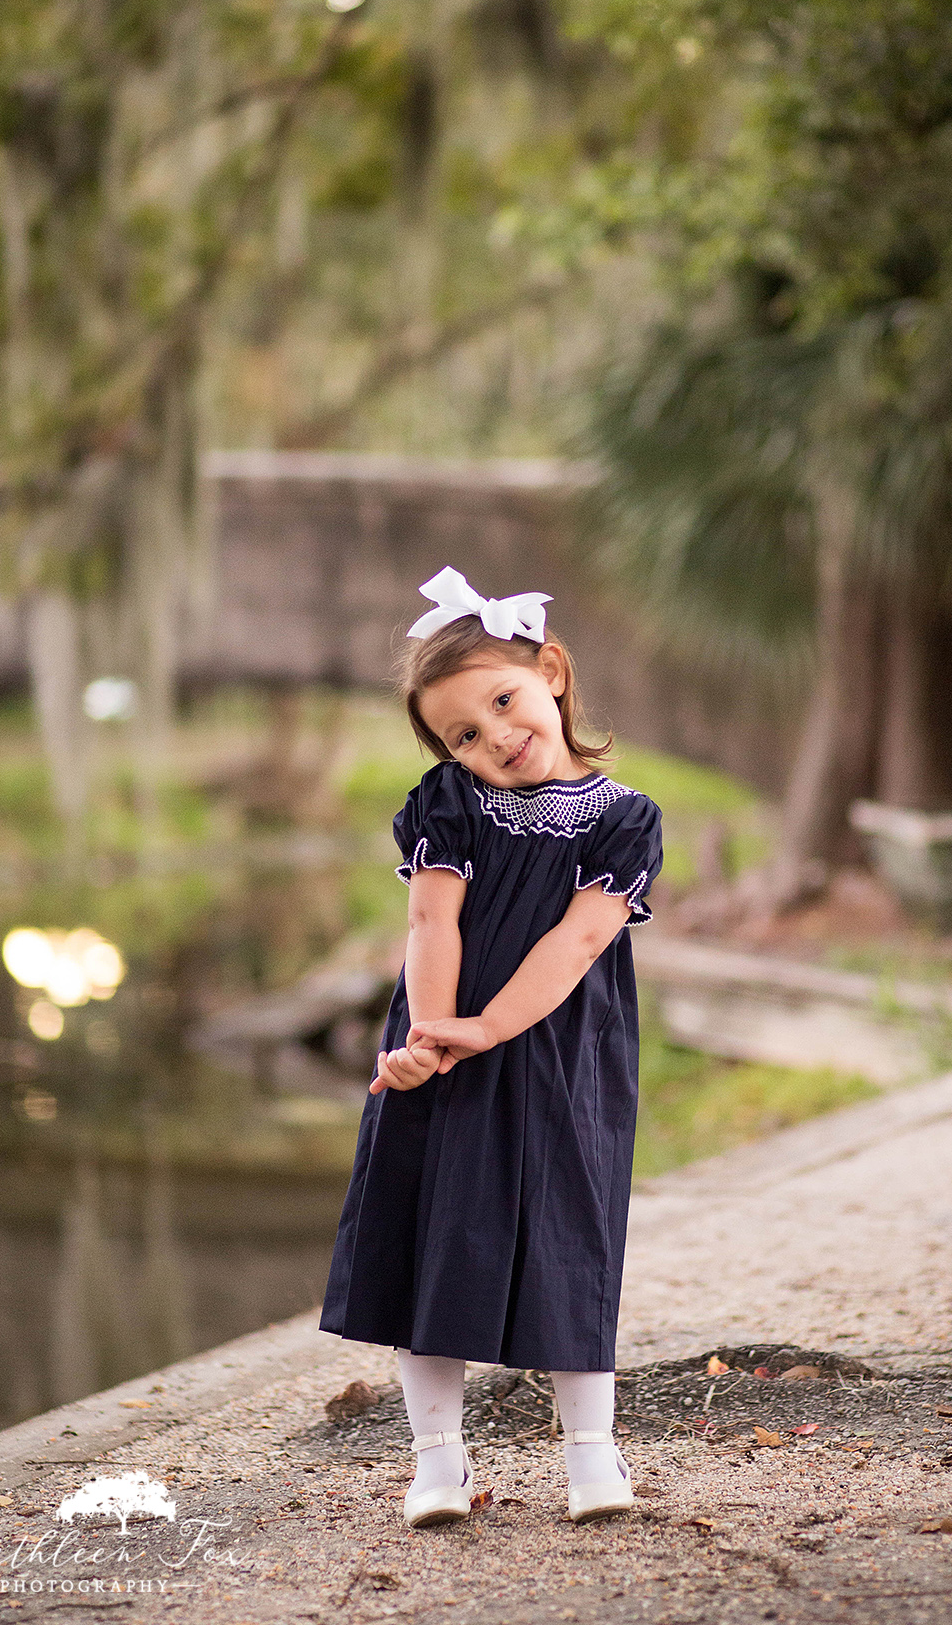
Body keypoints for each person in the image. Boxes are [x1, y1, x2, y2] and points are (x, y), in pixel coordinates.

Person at [320, 566, 663, 1528]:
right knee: (428, 1238)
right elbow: (433, 924)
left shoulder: (625, 819)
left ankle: (591, 1456)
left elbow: (579, 940)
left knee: (571, 1235)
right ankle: (438, 1460)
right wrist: (433, 1037)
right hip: (439, 1043)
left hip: (559, 1055)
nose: (495, 738)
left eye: (503, 704)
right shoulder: (449, 805)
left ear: (551, 672)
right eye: (463, 735)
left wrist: (488, 1029)